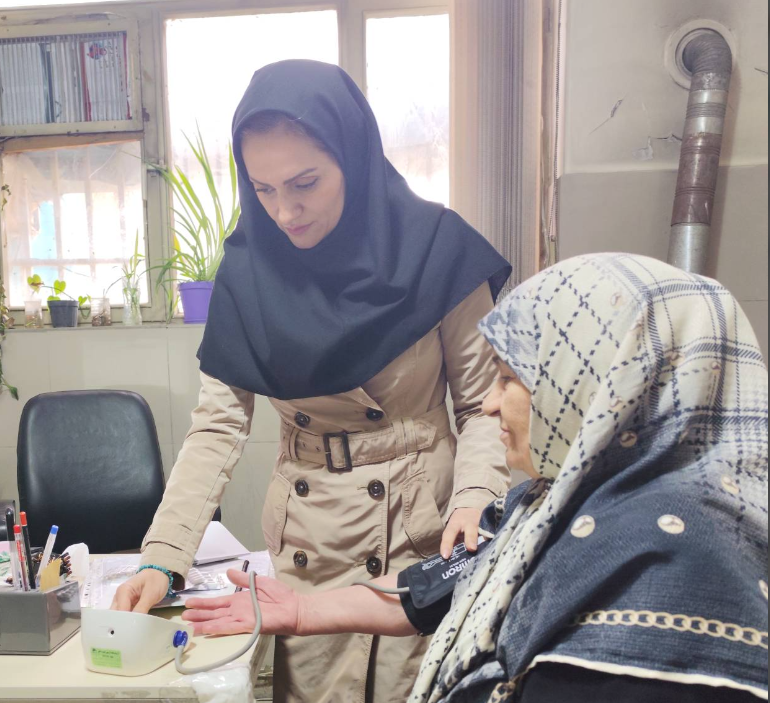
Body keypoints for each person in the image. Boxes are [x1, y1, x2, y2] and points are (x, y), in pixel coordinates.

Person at [183, 253, 769, 702]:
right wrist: (302, 612)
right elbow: (437, 584)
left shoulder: (666, 568)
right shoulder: (556, 502)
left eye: (510, 380)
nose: (488, 405)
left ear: (600, 386)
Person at [112, 59, 512, 702]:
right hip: (308, 541)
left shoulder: (437, 248)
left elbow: (482, 403)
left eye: (305, 183)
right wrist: (164, 555)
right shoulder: (247, 271)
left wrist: (475, 499)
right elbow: (217, 427)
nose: (285, 211)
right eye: (263, 189)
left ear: (352, 156)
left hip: (421, 530)